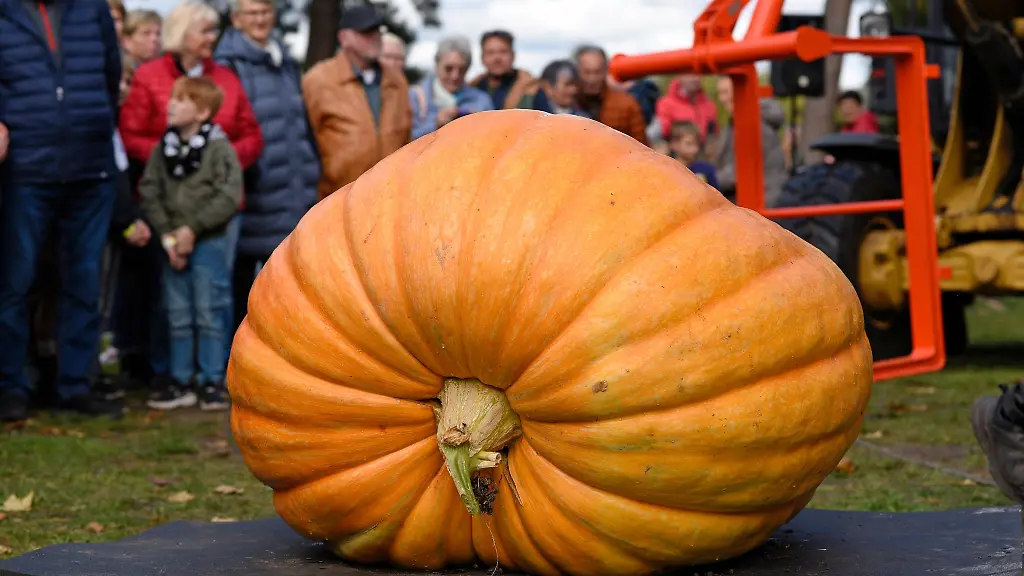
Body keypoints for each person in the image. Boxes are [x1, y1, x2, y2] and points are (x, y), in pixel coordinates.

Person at [119, 0, 263, 409]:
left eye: (213, 31)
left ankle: (212, 377)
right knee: (173, 303)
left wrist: (220, 161)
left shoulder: (225, 80)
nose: (211, 39)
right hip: (171, 214)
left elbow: (251, 134)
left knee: (212, 299)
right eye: (204, 30)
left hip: (213, 220)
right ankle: (174, 375)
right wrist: (176, 162)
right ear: (183, 32)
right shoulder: (151, 78)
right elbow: (132, 136)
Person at [0, 0, 125, 421]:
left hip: (91, 168)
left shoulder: (91, 9)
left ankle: (75, 385)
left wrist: (96, 126)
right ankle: (10, 387)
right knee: (17, 282)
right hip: (25, 168)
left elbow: (110, 73)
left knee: (84, 282)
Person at [214, 0, 320, 342]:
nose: (260, 20)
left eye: (265, 13)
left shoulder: (285, 60)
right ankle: (241, 358)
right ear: (236, 19)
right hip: (256, 185)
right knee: (244, 280)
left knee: (287, 278)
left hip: (292, 184)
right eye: (252, 14)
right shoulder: (228, 65)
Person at [138, 76, 242, 412]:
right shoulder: (162, 149)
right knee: (178, 314)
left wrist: (192, 230)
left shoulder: (219, 148)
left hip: (207, 244)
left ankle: (212, 380)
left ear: (202, 112)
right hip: (172, 246)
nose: (170, 104)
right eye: (172, 98)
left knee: (209, 312)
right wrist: (170, 237)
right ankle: (180, 380)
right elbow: (150, 191)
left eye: (180, 101)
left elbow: (229, 194)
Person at [302, 4, 411, 201]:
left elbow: (406, 138)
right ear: (343, 38)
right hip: (335, 201)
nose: (374, 37)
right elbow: (304, 145)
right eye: (365, 32)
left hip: (390, 199)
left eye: (376, 31)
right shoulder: (317, 81)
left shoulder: (397, 81)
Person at [712, 75, 788, 208]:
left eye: (726, 92)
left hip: (763, 203)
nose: (722, 99)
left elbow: (739, 169)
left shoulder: (755, 126)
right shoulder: (737, 123)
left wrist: (705, 180)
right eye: (720, 93)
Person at [409, 36, 493, 140]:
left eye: (462, 69)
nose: (455, 76)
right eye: (448, 69)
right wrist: (436, 125)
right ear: (437, 65)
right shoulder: (415, 97)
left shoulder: (481, 100)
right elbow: (403, 142)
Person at [572, 44, 649, 145]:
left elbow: (642, 146)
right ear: (577, 71)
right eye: (587, 72)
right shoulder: (568, 100)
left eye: (597, 72)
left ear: (605, 71)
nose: (592, 79)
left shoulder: (626, 104)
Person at [469, 30, 534, 110]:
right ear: (482, 58)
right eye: (490, 52)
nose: (497, 58)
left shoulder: (532, 89)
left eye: (503, 52)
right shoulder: (472, 89)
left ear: (513, 55)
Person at [656, 74, 719, 144]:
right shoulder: (665, 104)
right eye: (690, 74)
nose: (695, 79)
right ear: (680, 75)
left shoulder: (709, 105)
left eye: (698, 74)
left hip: (704, 152)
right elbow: (663, 135)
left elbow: (714, 135)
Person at [517, 60, 590, 117]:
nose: (574, 90)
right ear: (548, 87)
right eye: (568, 84)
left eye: (576, 84)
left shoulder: (584, 118)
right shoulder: (529, 114)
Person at [669, 121, 718, 189]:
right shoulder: (669, 169)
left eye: (696, 144)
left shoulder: (706, 170)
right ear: (674, 144)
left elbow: (716, 195)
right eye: (689, 144)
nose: (694, 149)